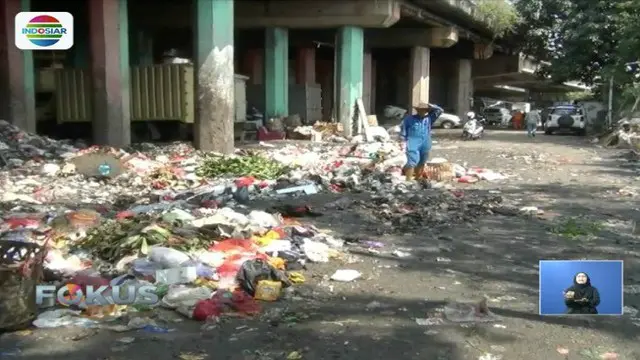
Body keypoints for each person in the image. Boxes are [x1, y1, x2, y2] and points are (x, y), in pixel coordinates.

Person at [400, 102, 443, 180]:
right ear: (417, 110)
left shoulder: (429, 118)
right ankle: (408, 180)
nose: (422, 112)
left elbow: (440, 110)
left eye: (424, 110)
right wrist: (402, 141)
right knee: (412, 161)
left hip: (426, 141)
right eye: (420, 110)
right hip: (413, 141)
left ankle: (418, 178)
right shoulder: (409, 119)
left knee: (422, 161)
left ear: (427, 111)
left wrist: (432, 105)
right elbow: (404, 131)